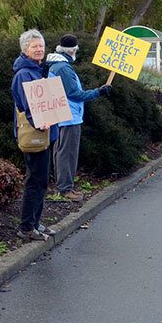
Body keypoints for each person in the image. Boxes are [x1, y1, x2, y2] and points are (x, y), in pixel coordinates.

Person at [47, 35, 111, 202]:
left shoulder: (57, 65)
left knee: (61, 152)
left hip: (63, 116)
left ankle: (63, 187)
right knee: (67, 153)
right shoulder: (64, 68)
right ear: (73, 50)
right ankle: (65, 189)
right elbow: (74, 93)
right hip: (69, 117)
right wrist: (98, 92)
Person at [11, 29, 59, 240]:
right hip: (36, 133)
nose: (39, 49)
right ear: (25, 49)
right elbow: (28, 106)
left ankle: (35, 222)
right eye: (34, 46)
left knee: (41, 181)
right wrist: (40, 124)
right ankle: (26, 227)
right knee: (35, 180)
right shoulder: (24, 74)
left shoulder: (38, 70)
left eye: (41, 46)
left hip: (46, 132)